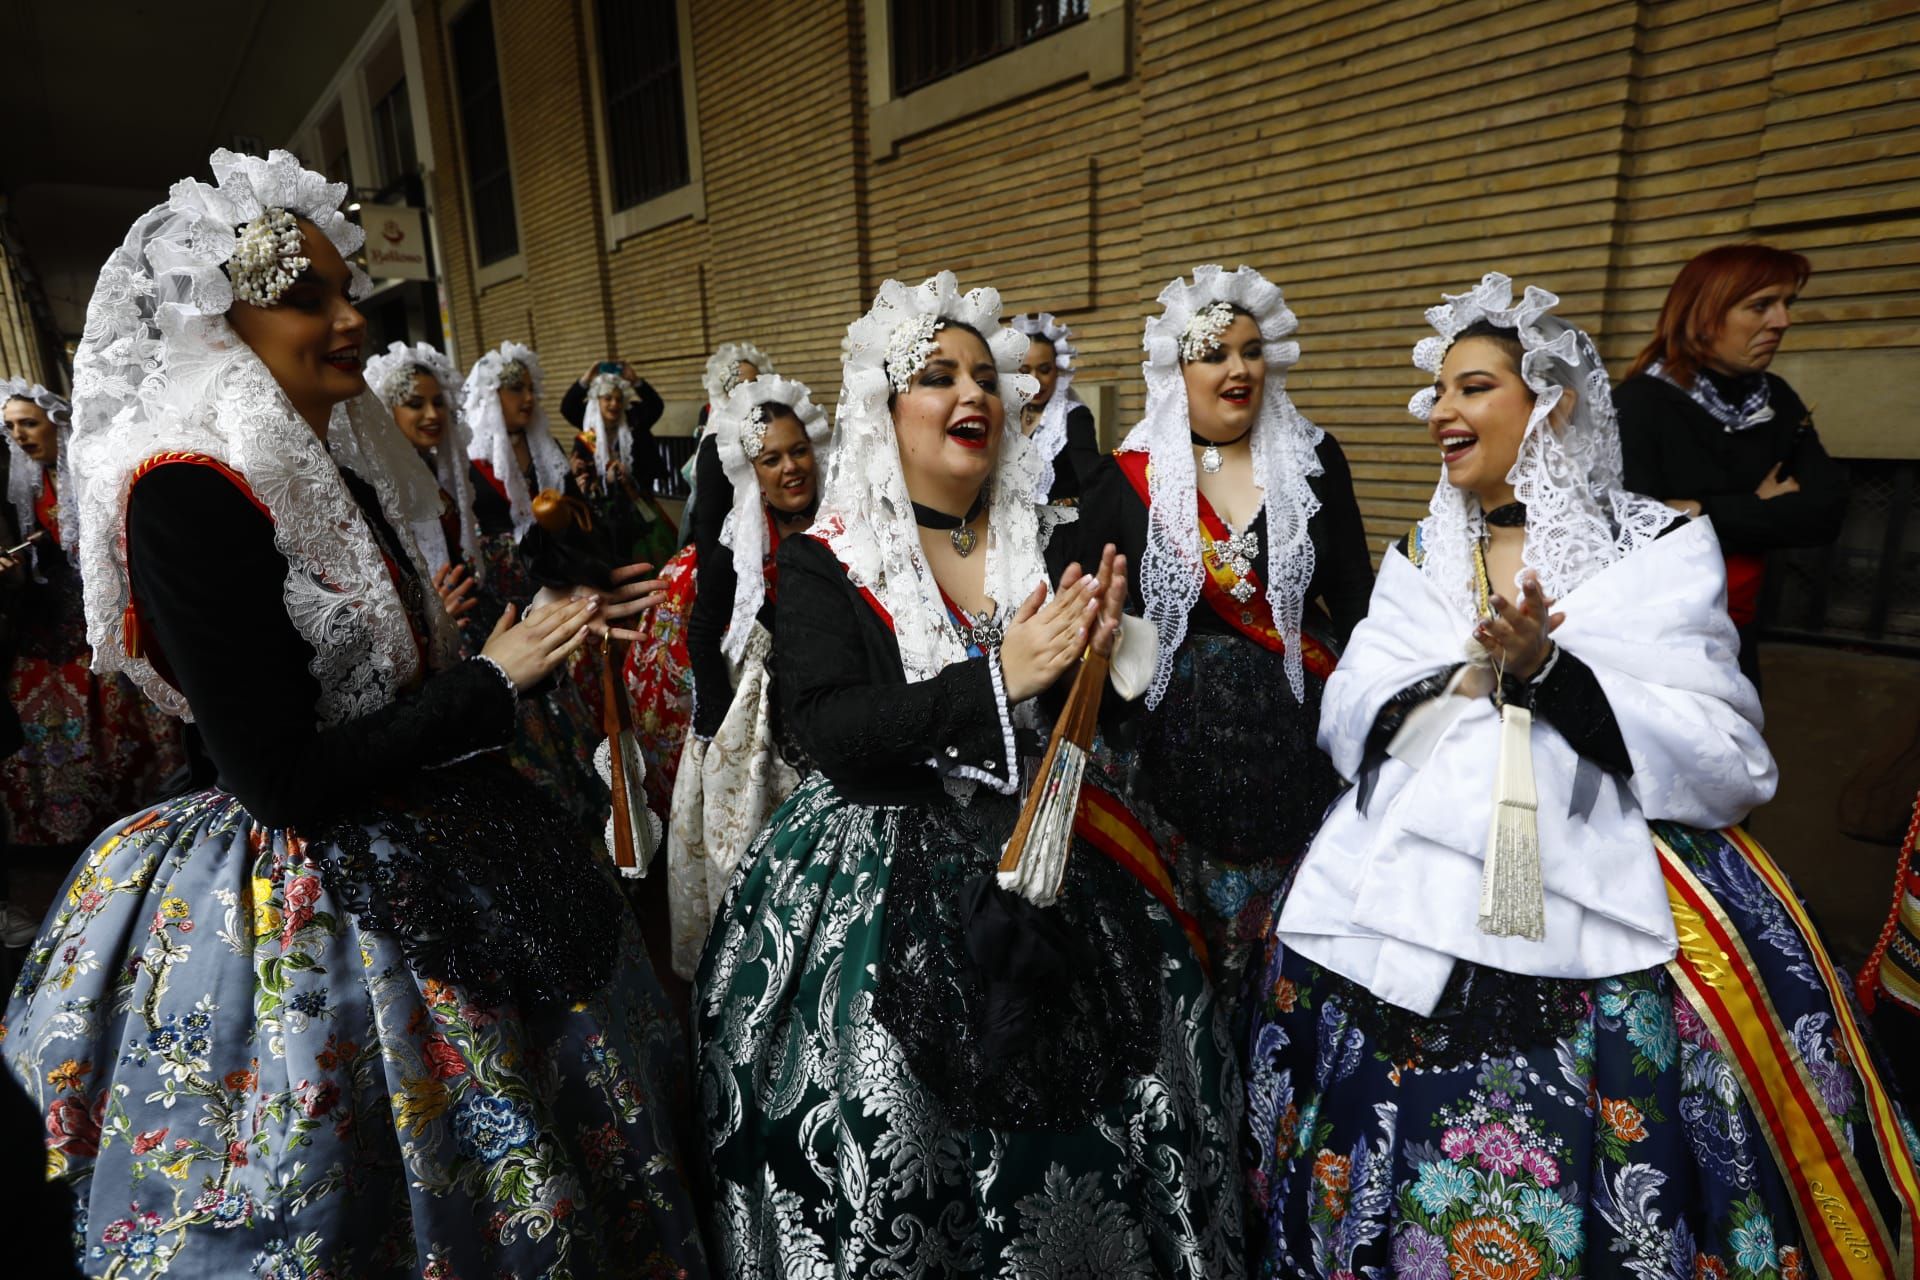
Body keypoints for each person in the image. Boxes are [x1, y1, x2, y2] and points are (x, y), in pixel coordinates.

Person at [2, 150, 708, 1278]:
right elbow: (278, 776)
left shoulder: (327, 459)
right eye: (307, 297)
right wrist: (491, 680)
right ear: (221, 322)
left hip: (450, 832)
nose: (348, 320)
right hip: (315, 906)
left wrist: (528, 638)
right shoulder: (182, 488)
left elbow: (390, 681)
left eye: (347, 293)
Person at [1251, 274, 1916, 1277]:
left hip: (1613, 902)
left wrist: (1555, 676)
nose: (1440, 411)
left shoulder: (1655, 545)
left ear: (1551, 400)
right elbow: (1350, 711)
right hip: (1411, 889)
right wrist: (1458, 675)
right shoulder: (1424, 549)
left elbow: (1726, 754)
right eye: (1437, 391)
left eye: (1471, 386)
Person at [697, 273, 1244, 1276]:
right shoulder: (828, 562)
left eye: (985, 377)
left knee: (1142, 1088)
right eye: (938, 375)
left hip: (1057, 843)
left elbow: (1095, 716)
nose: (973, 394)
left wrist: (1100, 652)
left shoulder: (1050, 533)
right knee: (895, 1123)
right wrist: (995, 680)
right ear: (883, 409)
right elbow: (824, 727)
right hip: (875, 866)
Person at [1079, 265, 1373, 1030]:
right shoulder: (1125, 480)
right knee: (1183, 964)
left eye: (1250, 350)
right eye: (1214, 353)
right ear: (1176, 371)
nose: (1238, 368)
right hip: (1168, 769)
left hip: (1294, 757)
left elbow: (1356, 599)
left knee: (1287, 956)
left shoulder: (1313, 461)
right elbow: (1084, 608)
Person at [1615, 243, 1848, 687]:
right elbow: (1636, 532)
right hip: (1658, 644)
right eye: (1760, 305)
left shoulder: (1775, 399)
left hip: (1738, 633)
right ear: (1702, 313)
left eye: (1786, 304)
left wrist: (1701, 510)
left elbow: (1826, 511)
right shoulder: (1639, 404)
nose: (1782, 321)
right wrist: (1758, 509)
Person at [665, 373, 828, 979]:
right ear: (750, 471)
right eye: (772, 458)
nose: (790, 468)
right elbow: (705, 632)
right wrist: (712, 718)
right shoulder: (739, 543)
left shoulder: (843, 524)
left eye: (799, 451)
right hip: (755, 710)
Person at [0, 379, 185, 881]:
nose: (19, 435)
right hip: (42, 629)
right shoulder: (13, 490)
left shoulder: (88, 473)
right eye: (11, 426)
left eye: (29, 424)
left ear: (58, 424)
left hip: (94, 620)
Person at [460, 342, 608, 826]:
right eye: (514, 389)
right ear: (490, 396)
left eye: (529, 388)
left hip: (551, 588)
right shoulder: (470, 461)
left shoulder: (548, 452)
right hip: (501, 602)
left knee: (573, 702)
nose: (526, 398)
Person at [361, 341, 482, 626]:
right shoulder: (379, 487)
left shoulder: (434, 469)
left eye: (439, 402)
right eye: (415, 404)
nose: (432, 414)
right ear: (387, 411)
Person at [560, 361, 675, 567]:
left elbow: (656, 406)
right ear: (597, 402)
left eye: (618, 399)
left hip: (637, 503)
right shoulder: (588, 436)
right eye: (607, 399)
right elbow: (567, 407)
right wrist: (585, 380)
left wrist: (636, 381)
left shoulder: (633, 422)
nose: (614, 404)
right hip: (605, 515)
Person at [679, 340, 773, 549]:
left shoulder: (772, 432)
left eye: (755, 384)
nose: (749, 394)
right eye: (738, 387)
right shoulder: (717, 445)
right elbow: (709, 525)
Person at [1011, 311, 1099, 502]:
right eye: (1025, 371)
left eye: (1044, 370)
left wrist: (1067, 504)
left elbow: (1094, 485)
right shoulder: (1010, 415)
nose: (1035, 380)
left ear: (1058, 370)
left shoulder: (1074, 417)